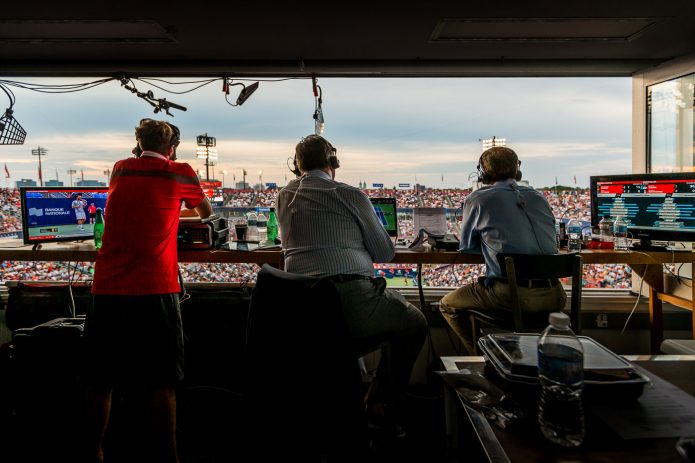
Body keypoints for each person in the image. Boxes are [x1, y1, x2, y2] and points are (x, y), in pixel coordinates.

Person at [276, 134, 427, 437]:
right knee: (416, 324)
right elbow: (384, 253)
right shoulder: (349, 194)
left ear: (296, 166)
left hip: (300, 312)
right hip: (349, 303)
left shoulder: (284, 195)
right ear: (333, 162)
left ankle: (337, 408)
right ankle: (378, 403)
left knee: (333, 343)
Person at [83, 119, 212, 463]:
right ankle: (168, 459)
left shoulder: (121, 169)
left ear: (137, 146)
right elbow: (206, 212)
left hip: (107, 286)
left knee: (100, 380)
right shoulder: (181, 171)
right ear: (172, 148)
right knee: (162, 381)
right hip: (155, 286)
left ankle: (93, 452)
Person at [439, 146, 566, 354]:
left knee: (447, 304)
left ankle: (486, 360)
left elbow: (467, 247)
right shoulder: (538, 197)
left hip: (510, 297)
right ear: (518, 170)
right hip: (555, 295)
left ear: (483, 173)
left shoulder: (478, 198)